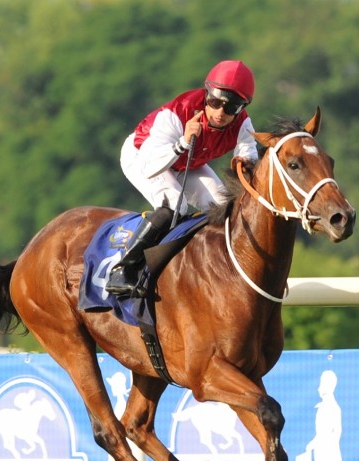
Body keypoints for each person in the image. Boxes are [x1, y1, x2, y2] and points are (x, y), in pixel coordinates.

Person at [106, 60, 259, 296]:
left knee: (225, 209)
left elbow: (248, 157)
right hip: (144, 157)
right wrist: (183, 142)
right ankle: (122, 269)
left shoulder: (243, 124)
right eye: (215, 102)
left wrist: (246, 166)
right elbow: (150, 167)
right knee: (173, 206)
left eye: (231, 108)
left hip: (190, 160)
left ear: (242, 108)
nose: (220, 113)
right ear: (207, 93)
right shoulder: (177, 113)